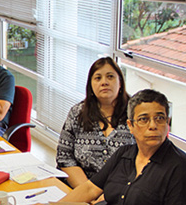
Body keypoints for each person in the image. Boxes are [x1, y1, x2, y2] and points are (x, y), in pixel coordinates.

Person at [22, 89, 186, 205]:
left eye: (159, 118)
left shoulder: (180, 165)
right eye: (144, 119)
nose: (153, 126)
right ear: (130, 126)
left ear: (168, 123)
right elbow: (91, 188)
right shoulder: (124, 153)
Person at [56, 57, 135, 188]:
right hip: (80, 187)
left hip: (123, 192)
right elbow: (64, 157)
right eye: (98, 78)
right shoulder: (77, 113)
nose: (104, 82)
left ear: (120, 82)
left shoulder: (136, 114)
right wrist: (88, 193)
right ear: (91, 85)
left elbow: (145, 163)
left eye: (110, 77)